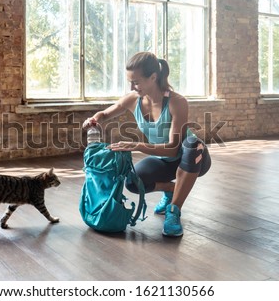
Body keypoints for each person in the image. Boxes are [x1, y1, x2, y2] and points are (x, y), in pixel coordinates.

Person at [82, 52, 211, 237]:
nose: (132, 87)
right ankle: (170, 189)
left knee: (192, 144)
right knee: (133, 183)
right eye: (129, 82)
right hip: (163, 159)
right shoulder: (133, 99)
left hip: (192, 159)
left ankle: (174, 211)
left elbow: (173, 147)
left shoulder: (176, 102)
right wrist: (95, 119)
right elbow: (105, 113)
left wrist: (135, 146)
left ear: (153, 77)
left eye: (136, 82)